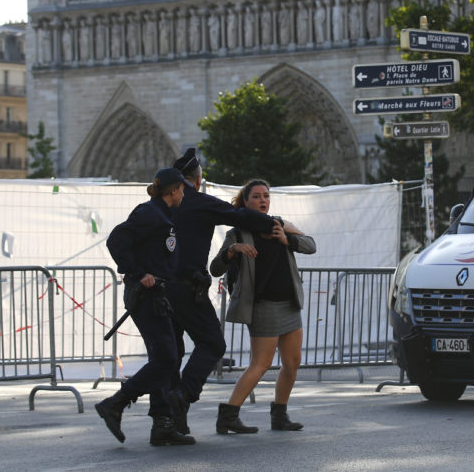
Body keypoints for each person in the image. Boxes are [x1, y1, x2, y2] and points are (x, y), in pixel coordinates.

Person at [164, 148, 277, 434]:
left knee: (171, 353)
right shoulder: (198, 202)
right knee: (212, 344)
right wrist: (272, 223)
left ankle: (169, 423)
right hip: (187, 286)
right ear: (197, 179)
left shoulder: (159, 203)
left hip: (159, 288)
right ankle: (181, 396)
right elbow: (237, 216)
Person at [94, 168, 195, 446]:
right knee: (165, 359)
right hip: (146, 295)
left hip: (159, 295)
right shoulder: (149, 213)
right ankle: (115, 404)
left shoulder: (165, 215)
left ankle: (161, 424)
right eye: (182, 189)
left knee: (168, 358)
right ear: (173, 190)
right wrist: (139, 273)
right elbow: (117, 241)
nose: (184, 193)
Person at [209, 178, 316, 433]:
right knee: (261, 363)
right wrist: (233, 250)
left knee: (292, 363)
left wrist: (287, 239)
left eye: (266, 196)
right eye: (256, 196)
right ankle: (228, 415)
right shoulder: (237, 232)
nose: (263, 200)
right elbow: (215, 268)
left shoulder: (279, 224)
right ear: (245, 202)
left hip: (289, 303)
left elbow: (311, 245)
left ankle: (280, 414)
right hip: (263, 305)